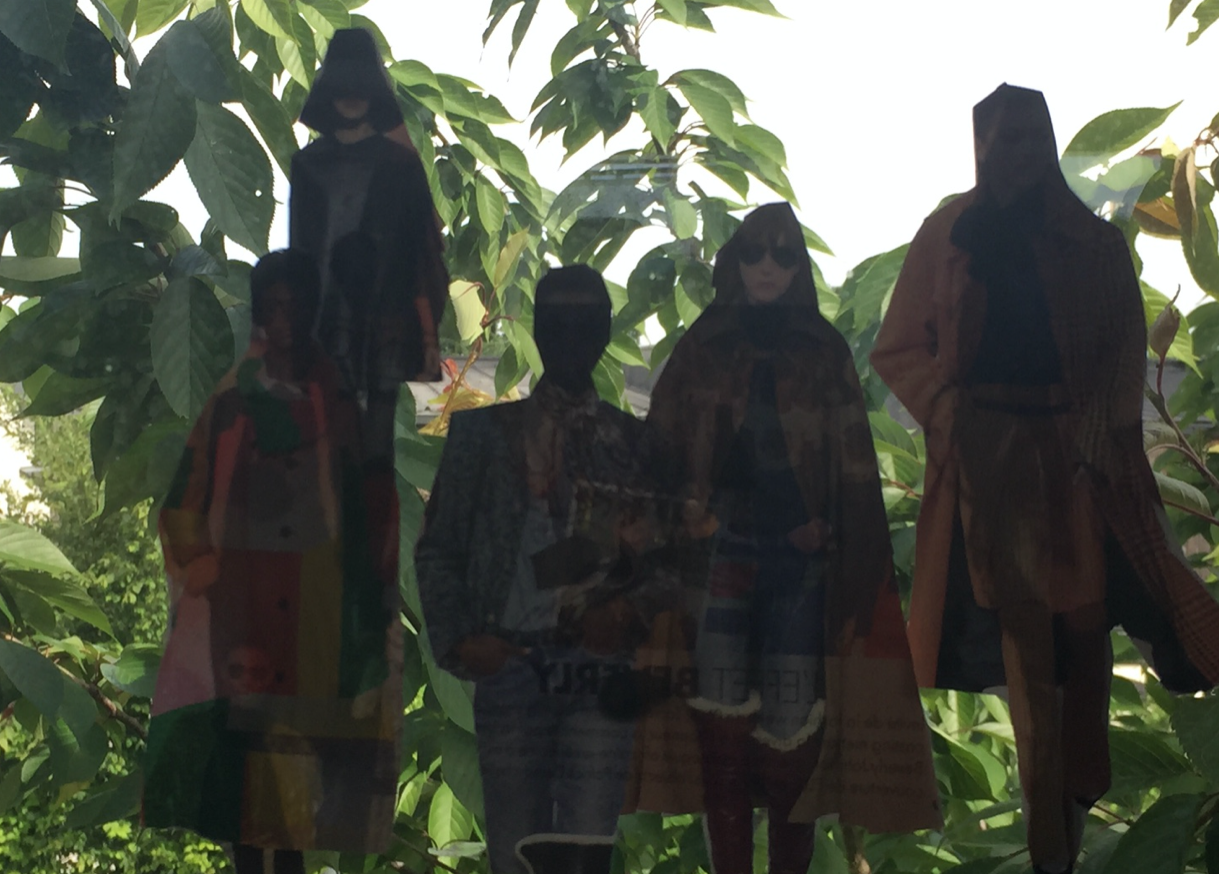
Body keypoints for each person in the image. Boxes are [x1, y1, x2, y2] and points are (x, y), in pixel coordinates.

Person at [871, 83, 1219, 874]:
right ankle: (1048, 844)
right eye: (1004, 139)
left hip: (1078, 462)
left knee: (1084, 636)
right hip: (988, 465)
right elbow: (898, 349)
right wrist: (953, 419)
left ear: (1051, 143)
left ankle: (1074, 799)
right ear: (980, 147)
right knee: (1023, 638)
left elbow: (1121, 356)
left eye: (1033, 137)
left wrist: (1096, 439)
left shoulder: (1092, 244)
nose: (1019, 153)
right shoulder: (948, 233)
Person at [647, 203, 941, 874]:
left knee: (792, 728)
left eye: (783, 254)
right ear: (736, 261)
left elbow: (854, 469)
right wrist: (680, 518)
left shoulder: (823, 349)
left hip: (802, 562)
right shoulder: (703, 345)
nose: (767, 267)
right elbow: (659, 445)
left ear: (798, 267)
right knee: (718, 727)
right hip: (718, 554)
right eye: (756, 252)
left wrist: (838, 543)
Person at [143, 251, 401, 872]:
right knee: (242, 767)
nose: (284, 321)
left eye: (296, 307)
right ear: (259, 314)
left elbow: (371, 509)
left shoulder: (341, 404)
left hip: (317, 609)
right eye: (272, 308)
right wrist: (203, 569)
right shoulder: (231, 402)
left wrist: (367, 601)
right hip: (244, 609)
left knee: (299, 771)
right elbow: (183, 503)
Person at [415, 265, 679, 874]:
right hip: (509, 668)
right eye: (558, 321)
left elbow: (671, 560)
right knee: (516, 855)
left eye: (585, 321)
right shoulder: (483, 435)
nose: (570, 335)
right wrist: (461, 641)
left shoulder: (636, 444)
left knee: (585, 855)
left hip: (597, 675)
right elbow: (439, 548)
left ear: (604, 331)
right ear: (538, 329)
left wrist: (628, 613)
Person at [290, 27, 449, 466]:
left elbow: (421, 253)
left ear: (374, 91)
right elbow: (301, 254)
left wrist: (425, 331)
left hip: (388, 322)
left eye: (360, 85)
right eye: (343, 85)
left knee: (376, 451)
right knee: (324, 447)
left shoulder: (403, 166)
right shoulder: (307, 166)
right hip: (324, 321)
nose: (351, 95)